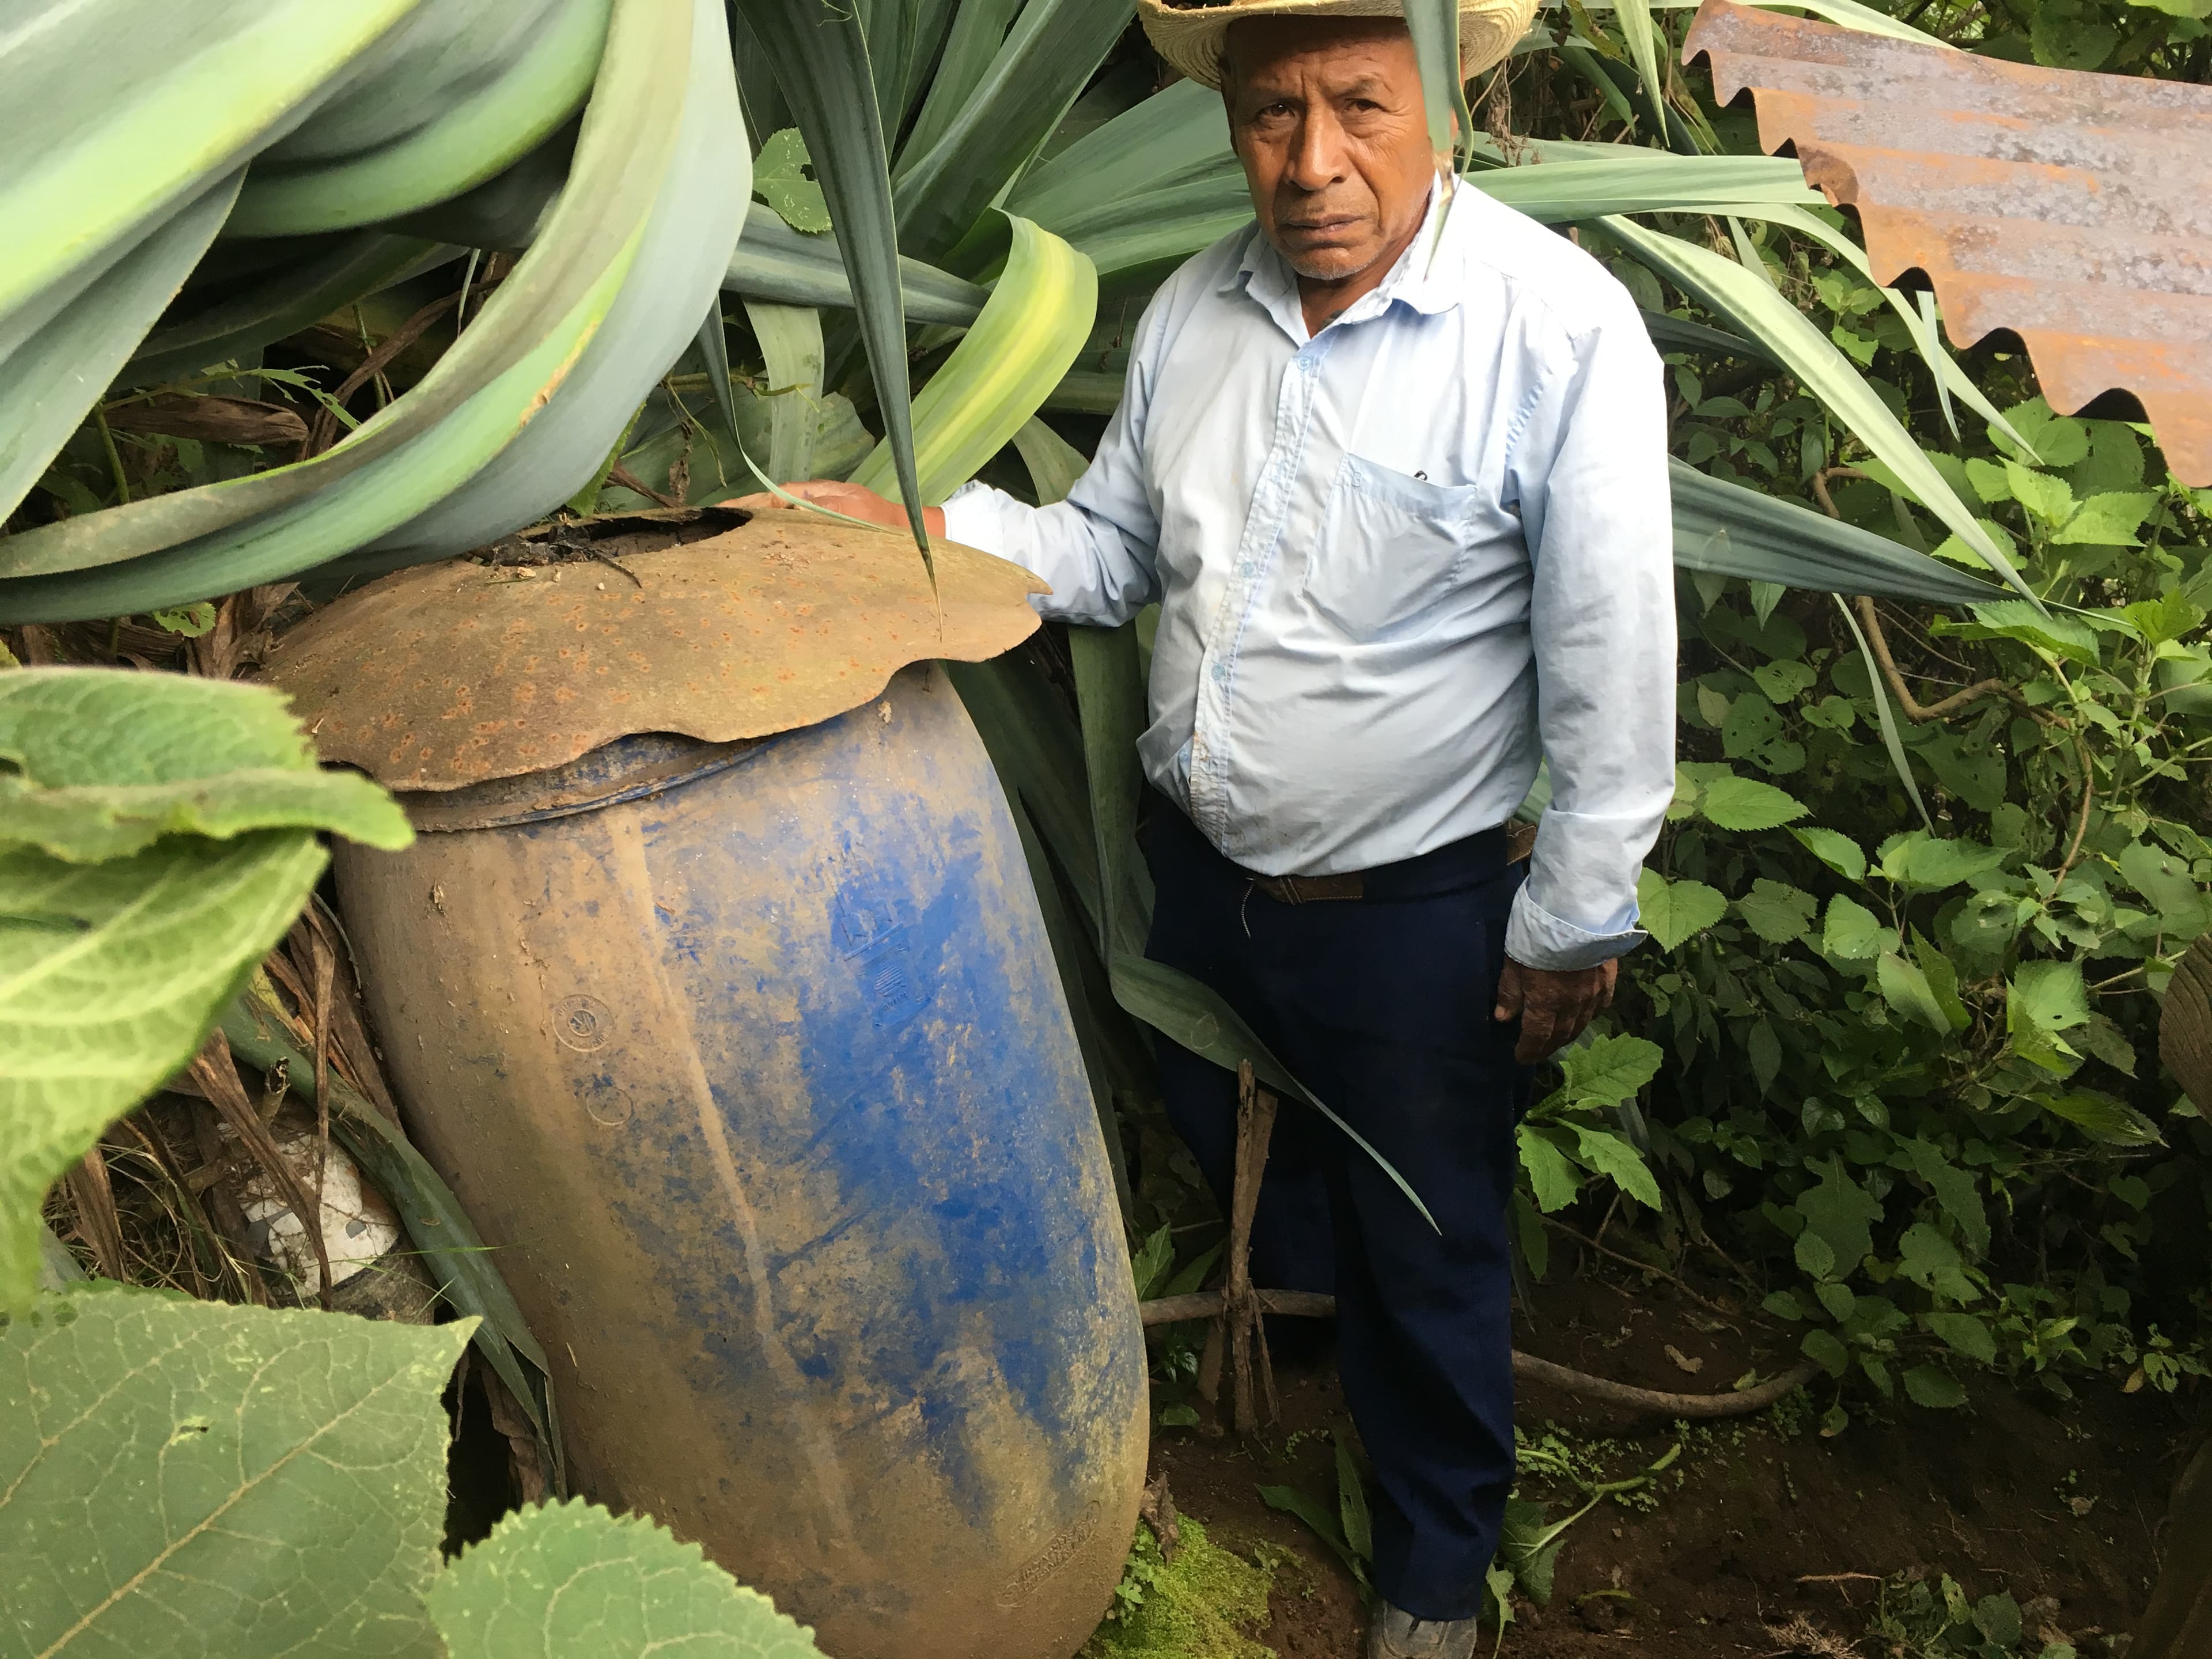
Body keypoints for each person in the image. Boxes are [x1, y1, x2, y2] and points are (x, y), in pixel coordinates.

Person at [732, 1, 1674, 1652]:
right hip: (1202, 883)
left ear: (1438, 96)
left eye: (1360, 108)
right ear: (1226, 118)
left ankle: (1435, 1575)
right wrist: (918, 530)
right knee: (1232, 1116)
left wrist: (1577, 914)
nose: (1313, 163)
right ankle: (1304, 1354)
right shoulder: (1194, 313)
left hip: (1415, 913)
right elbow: (1106, 553)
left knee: (1433, 1231)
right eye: (1270, 115)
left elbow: (1613, 648)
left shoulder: (1558, 332)